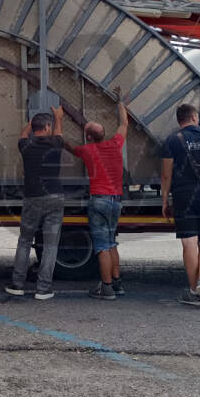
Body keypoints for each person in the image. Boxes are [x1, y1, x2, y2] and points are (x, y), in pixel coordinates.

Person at [161, 96, 200, 309]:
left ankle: (194, 291)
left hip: (183, 195)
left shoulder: (171, 140)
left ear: (179, 120)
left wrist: (164, 199)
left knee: (189, 243)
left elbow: (166, 175)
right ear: (194, 117)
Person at [67, 98, 129, 300]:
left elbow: (69, 147)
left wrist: (57, 132)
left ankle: (107, 287)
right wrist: (120, 105)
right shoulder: (115, 144)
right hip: (116, 200)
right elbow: (123, 124)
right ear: (104, 134)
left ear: (88, 137)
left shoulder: (87, 150)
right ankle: (117, 284)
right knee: (111, 243)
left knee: (101, 246)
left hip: (99, 200)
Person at [7, 106, 66, 301]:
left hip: (32, 198)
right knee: (50, 245)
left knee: (24, 240)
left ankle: (17, 284)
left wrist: (31, 123)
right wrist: (58, 117)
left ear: (34, 128)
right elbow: (59, 130)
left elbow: (23, 134)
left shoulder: (25, 146)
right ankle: (43, 289)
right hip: (55, 198)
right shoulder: (56, 144)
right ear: (48, 127)